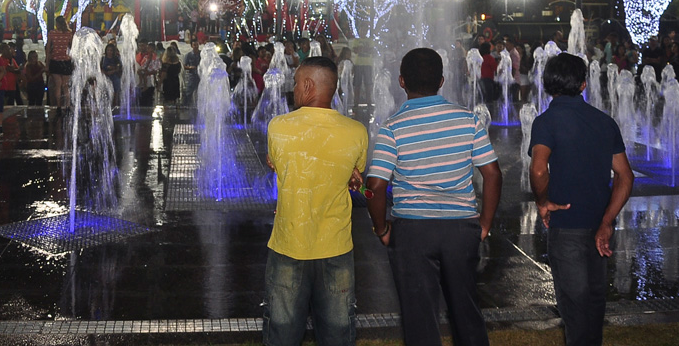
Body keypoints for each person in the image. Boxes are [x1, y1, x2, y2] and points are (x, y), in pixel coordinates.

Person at [365, 48, 503, 346]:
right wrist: (484, 224)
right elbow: (492, 173)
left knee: (419, 316)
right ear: (442, 81)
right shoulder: (468, 121)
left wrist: (381, 228)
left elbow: (374, 186)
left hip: (412, 231)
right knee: (466, 308)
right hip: (461, 228)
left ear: (401, 82)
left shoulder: (392, 129)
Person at [529, 52, 634, 346]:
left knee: (575, 310)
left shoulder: (546, 121)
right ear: (584, 84)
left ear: (548, 85)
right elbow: (625, 176)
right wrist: (607, 220)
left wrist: (542, 201)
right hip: (599, 227)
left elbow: (538, 169)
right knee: (594, 306)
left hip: (567, 226)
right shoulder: (604, 122)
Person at [263, 56, 367, 346]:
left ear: (308, 86)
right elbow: (355, 179)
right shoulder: (357, 131)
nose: (294, 88)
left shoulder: (278, 127)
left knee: (281, 331)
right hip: (336, 246)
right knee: (337, 331)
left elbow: (276, 163)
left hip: (288, 243)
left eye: (296, 83)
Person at [47, 15, 74, 115]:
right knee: (65, 86)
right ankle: (67, 105)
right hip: (66, 61)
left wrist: (47, 63)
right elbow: (72, 48)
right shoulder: (69, 34)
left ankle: (58, 106)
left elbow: (48, 49)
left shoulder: (52, 33)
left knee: (57, 86)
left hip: (55, 61)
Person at [181, 39, 201, 103]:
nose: (196, 46)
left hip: (200, 75)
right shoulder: (188, 55)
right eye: (194, 45)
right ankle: (187, 104)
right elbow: (184, 66)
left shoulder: (202, 54)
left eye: (197, 45)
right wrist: (190, 67)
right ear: (192, 46)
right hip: (192, 75)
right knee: (189, 91)